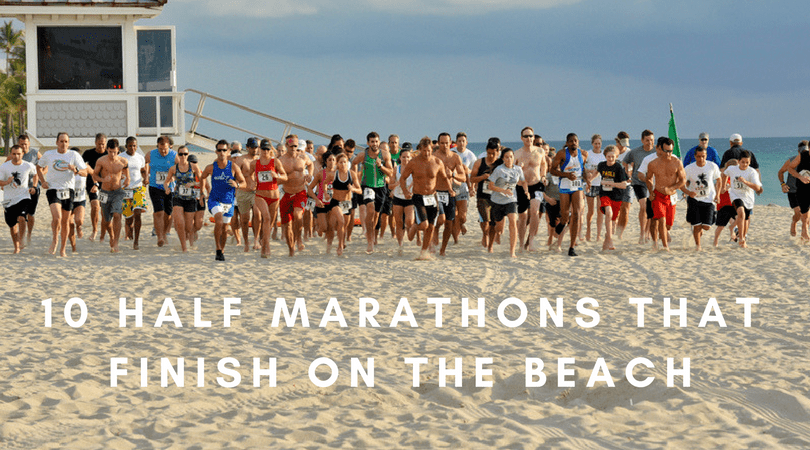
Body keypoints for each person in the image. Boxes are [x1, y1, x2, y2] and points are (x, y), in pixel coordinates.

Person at [400, 136, 452, 260]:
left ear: (432, 149)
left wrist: (450, 189)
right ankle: (414, 226)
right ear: (420, 149)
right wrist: (406, 191)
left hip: (433, 197)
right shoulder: (413, 162)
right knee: (424, 225)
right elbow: (403, 178)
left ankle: (423, 252)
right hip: (418, 196)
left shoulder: (437, 162)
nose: (426, 153)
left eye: (429, 150)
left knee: (431, 227)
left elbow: (444, 178)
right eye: (424, 151)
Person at [36, 133, 88, 256]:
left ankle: (63, 248)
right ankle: (55, 239)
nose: (63, 144)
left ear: (68, 143)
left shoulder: (73, 155)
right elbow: (38, 167)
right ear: (57, 142)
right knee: (57, 217)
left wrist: (75, 170)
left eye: (66, 141)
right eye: (61, 141)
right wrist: (42, 181)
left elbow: (85, 172)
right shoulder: (49, 154)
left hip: (68, 190)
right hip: (53, 189)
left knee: (65, 221)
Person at [200, 140, 246, 261]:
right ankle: (218, 248)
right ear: (216, 152)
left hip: (228, 201)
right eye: (219, 150)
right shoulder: (211, 167)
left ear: (228, 151)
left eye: (224, 150)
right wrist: (202, 192)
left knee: (225, 228)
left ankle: (222, 250)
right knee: (219, 221)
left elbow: (244, 182)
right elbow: (203, 177)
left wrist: (237, 184)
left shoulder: (233, 167)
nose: (222, 152)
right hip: (214, 199)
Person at [353, 132, 393, 254]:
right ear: (368, 143)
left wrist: (381, 166)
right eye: (372, 142)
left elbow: (390, 173)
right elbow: (354, 163)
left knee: (376, 215)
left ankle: (373, 236)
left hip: (381, 187)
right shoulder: (363, 155)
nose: (374, 144)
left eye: (376, 141)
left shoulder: (385, 155)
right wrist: (357, 180)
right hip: (367, 186)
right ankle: (370, 240)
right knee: (370, 209)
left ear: (379, 142)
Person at [549, 133, 587, 256]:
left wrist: (588, 180)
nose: (573, 143)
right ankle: (562, 223)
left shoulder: (582, 154)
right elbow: (552, 170)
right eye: (570, 141)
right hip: (565, 186)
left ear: (578, 141)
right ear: (567, 143)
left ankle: (571, 247)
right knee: (565, 216)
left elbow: (583, 168)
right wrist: (566, 175)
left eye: (575, 140)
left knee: (576, 214)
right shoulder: (561, 154)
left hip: (577, 186)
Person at [644, 137, 685, 251]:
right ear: (660, 150)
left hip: (671, 196)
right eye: (666, 151)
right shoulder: (653, 164)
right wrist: (651, 192)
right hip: (658, 196)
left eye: (670, 151)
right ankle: (664, 246)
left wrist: (671, 188)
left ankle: (661, 238)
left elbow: (683, 180)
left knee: (668, 225)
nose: (668, 154)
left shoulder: (677, 162)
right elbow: (648, 179)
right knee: (661, 219)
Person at [486, 148, 526, 258]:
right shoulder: (499, 170)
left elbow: (523, 181)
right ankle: (492, 243)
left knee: (513, 222)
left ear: (514, 158)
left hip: (511, 200)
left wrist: (526, 190)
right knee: (498, 228)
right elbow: (490, 186)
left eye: (511, 157)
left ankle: (512, 251)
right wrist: (504, 191)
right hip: (497, 201)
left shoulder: (518, 169)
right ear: (503, 159)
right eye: (507, 157)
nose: (509, 159)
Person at [279, 134, 314, 256]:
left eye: (296, 145)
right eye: (291, 146)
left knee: (298, 215)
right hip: (287, 193)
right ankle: (291, 247)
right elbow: (275, 175)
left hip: (300, 192)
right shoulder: (281, 160)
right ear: (286, 145)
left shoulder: (303, 157)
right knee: (287, 224)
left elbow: (311, 165)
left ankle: (298, 239)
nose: (294, 148)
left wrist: (310, 175)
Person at [251, 141, 287, 258]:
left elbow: (285, 176)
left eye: (267, 149)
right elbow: (247, 174)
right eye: (263, 149)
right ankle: (266, 247)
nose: (265, 151)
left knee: (270, 223)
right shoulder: (254, 163)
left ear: (270, 150)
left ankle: (265, 242)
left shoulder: (275, 161)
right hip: (260, 195)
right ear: (259, 150)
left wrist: (278, 176)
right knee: (265, 217)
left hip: (274, 196)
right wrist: (252, 182)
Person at [681, 146, 722, 251]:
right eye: (698, 157)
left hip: (709, 199)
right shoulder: (689, 168)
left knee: (706, 227)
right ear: (695, 156)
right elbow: (682, 183)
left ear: (706, 156)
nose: (701, 159)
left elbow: (719, 180)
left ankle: (703, 225)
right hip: (694, 199)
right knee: (697, 226)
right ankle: (698, 246)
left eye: (703, 156)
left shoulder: (712, 166)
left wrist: (717, 195)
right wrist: (688, 192)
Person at [93, 139, 130, 253]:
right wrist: (103, 179)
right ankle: (112, 236)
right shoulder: (101, 161)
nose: (112, 154)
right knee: (106, 220)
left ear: (118, 150)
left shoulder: (123, 161)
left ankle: (116, 243)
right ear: (107, 150)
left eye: (114, 152)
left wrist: (127, 179)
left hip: (118, 192)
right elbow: (94, 175)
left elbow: (127, 174)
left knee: (117, 215)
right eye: (110, 152)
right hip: (104, 192)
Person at [163, 145, 202, 252]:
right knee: (180, 223)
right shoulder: (174, 168)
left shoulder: (194, 167)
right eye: (181, 154)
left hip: (191, 198)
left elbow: (201, 180)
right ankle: (184, 247)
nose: (183, 156)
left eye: (185, 154)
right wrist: (167, 188)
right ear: (178, 155)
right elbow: (166, 181)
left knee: (189, 226)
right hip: (177, 197)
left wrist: (192, 183)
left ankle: (190, 239)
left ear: (188, 155)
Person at [0, 145, 37, 253]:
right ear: (11, 154)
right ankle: (16, 247)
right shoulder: (4, 166)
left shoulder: (28, 165)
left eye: (19, 154)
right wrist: (7, 182)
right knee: (12, 226)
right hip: (8, 199)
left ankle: (21, 240)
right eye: (14, 154)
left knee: (22, 218)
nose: (16, 156)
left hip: (23, 196)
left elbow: (35, 174)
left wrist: (34, 186)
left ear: (23, 154)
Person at [432, 132, 464, 256]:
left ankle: (442, 249)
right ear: (438, 143)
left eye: (447, 143)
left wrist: (453, 174)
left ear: (451, 143)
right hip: (436, 192)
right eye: (442, 143)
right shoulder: (434, 157)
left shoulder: (455, 157)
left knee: (449, 224)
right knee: (440, 219)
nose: (445, 145)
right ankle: (434, 232)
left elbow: (463, 177)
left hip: (449, 193)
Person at [591, 145, 628, 251]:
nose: (610, 159)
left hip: (617, 196)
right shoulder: (601, 165)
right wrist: (589, 181)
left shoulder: (619, 167)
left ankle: (606, 241)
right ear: (605, 156)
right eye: (608, 156)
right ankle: (610, 240)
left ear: (616, 156)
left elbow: (624, 185)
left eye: (613, 157)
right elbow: (596, 173)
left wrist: (609, 183)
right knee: (608, 212)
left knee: (613, 220)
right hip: (604, 194)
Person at [725, 151, 763, 248]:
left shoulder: (752, 172)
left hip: (748, 198)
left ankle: (743, 238)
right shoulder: (732, 169)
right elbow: (724, 174)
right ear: (738, 161)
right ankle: (741, 238)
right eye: (743, 162)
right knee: (741, 213)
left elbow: (758, 188)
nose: (745, 164)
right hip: (735, 195)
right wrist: (723, 186)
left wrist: (746, 182)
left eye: (747, 162)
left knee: (746, 219)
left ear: (750, 162)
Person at [144, 136, 177, 247]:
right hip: (155, 186)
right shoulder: (151, 154)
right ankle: (160, 237)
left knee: (168, 213)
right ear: (157, 146)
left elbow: (181, 170)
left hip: (169, 188)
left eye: (165, 149)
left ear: (169, 147)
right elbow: (144, 164)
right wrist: (145, 176)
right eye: (161, 149)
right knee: (159, 212)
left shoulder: (174, 155)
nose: (163, 151)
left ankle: (164, 232)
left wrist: (174, 178)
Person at [624, 130, 655, 243]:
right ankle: (642, 233)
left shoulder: (658, 151)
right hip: (638, 182)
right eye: (647, 140)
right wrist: (627, 173)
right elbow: (625, 161)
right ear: (642, 140)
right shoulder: (635, 152)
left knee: (650, 208)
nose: (649, 142)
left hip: (652, 183)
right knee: (644, 206)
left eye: (651, 140)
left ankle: (647, 232)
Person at [470, 138, 500, 248]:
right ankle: (485, 234)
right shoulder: (479, 162)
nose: (491, 156)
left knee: (494, 224)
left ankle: (490, 246)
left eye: (493, 153)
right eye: (489, 153)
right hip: (482, 196)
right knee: (485, 222)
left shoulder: (501, 164)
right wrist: (483, 177)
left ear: (498, 152)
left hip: (496, 197)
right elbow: (471, 179)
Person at [307, 151, 339, 253]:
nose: (332, 162)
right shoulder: (320, 174)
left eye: (334, 160)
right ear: (325, 161)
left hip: (333, 204)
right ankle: (318, 227)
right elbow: (310, 189)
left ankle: (328, 248)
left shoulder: (338, 174)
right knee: (324, 228)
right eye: (329, 160)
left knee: (331, 227)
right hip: (321, 204)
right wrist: (316, 199)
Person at [234, 137, 261, 252]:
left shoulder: (261, 159)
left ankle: (256, 240)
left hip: (257, 192)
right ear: (247, 147)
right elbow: (233, 175)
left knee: (257, 215)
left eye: (256, 147)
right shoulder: (241, 160)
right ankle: (245, 242)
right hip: (243, 192)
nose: (255, 150)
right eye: (253, 147)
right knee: (244, 220)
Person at [120, 137, 148, 250]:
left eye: (134, 146)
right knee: (129, 218)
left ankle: (136, 241)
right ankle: (129, 228)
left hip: (138, 188)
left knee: (138, 213)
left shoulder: (140, 157)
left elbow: (143, 170)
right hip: (125, 190)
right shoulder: (121, 157)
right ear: (126, 146)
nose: (133, 148)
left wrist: (145, 177)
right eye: (130, 145)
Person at [389, 145, 415, 253]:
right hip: (398, 197)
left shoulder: (414, 169)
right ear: (400, 158)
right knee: (399, 222)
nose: (406, 159)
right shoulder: (396, 169)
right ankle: (400, 245)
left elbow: (418, 182)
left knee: (409, 220)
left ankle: (410, 231)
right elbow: (389, 186)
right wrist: (397, 184)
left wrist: (411, 190)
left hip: (409, 198)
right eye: (403, 157)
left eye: (408, 157)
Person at [777, 141, 806, 236]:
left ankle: (804, 234)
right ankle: (794, 222)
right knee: (798, 213)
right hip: (793, 190)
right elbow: (781, 172)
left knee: (806, 215)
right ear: (799, 152)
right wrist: (783, 184)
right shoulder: (791, 161)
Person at [452, 132, 476, 243]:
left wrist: (472, 187)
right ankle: (456, 240)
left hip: (463, 187)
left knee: (462, 216)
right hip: (451, 187)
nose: (461, 143)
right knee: (454, 215)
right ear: (456, 142)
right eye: (459, 141)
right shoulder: (451, 153)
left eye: (463, 141)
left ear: (466, 142)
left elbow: (475, 172)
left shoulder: (470, 155)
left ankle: (461, 224)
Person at [82, 133, 107, 241]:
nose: (101, 146)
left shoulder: (108, 153)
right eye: (99, 144)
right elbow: (81, 166)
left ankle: (103, 231)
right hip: (91, 184)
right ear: (95, 143)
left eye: (103, 144)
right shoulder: (88, 153)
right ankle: (94, 230)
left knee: (104, 209)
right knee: (95, 206)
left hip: (105, 184)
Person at [18, 134, 41, 243]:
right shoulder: (16, 153)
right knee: (21, 214)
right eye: (21, 144)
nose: (23, 146)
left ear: (29, 144)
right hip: (20, 188)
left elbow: (44, 165)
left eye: (25, 144)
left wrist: (41, 174)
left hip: (34, 187)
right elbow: (6, 166)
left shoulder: (34, 153)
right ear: (18, 144)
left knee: (31, 214)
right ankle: (21, 236)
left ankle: (29, 234)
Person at [785, 143, 810, 241]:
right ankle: (804, 230)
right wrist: (800, 177)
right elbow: (790, 168)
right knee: (804, 211)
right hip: (802, 187)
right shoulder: (802, 156)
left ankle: (804, 230)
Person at [584, 134, 606, 242]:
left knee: (600, 211)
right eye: (595, 143)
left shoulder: (604, 155)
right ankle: (588, 232)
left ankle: (598, 234)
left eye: (599, 143)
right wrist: (589, 172)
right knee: (591, 211)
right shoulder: (588, 154)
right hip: (590, 184)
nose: (597, 145)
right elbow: (584, 167)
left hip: (601, 184)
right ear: (592, 143)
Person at [613, 131, 633, 239]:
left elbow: (634, 167)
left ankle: (619, 234)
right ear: (617, 141)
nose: (623, 146)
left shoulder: (630, 153)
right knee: (616, 210)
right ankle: (613, 230)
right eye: (622, 143)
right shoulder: (613, 153)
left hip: (627, 185)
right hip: (614, 185)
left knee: (625, 210)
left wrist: (631, 175)